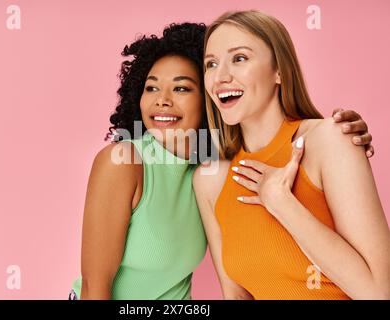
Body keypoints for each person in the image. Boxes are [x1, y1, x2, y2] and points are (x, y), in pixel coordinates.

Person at [70, 22, 375, 300]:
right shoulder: (122, 162)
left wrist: (338, 139)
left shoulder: (210, 168)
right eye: (151, 87)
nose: (161, 99)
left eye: (181, 88)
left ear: (208, 98)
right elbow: (95, 288)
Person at [194, 10, 390, 300]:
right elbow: (235, 296)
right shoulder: (210, 180)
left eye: (240, 58)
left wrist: (282, 203)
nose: (220, 77)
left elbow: (378, 292)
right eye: (211, 64)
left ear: (280, 71)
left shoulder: (329, 140)